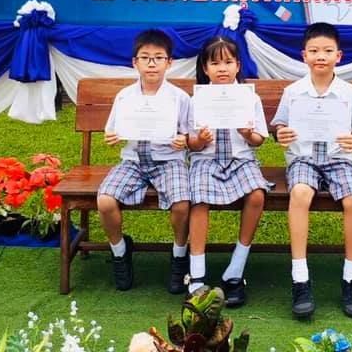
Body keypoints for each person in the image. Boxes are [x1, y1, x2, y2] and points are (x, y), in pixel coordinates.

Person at [271, 22, 352, 319]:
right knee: (300, 194)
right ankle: (300, 278)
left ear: (338, 56)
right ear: (304, 55)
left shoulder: (349, 93)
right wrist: (281, 133)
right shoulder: (293, 92)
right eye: (314, 51)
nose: (320, 56)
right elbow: (279, 126)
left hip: (339, 159)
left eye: (327, 51)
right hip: (303, 158)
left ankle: (351, 278)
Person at [97, 29, 191, 294]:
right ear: (134, 62)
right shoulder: (125, 97)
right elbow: (111, 130)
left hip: (168, 162)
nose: (152, 63)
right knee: (105, 201)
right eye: (145, 57)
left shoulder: (179, 98)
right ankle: (120, 251)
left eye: (159, 57)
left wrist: (183, 140)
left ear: (169, 63)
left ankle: (179, 254)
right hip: (133, 161)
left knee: (182, 204)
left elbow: (189, 134)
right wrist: (111, 137)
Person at [186, 36, 270, 307]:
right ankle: (197, 277)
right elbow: (190, 143)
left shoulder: (250, 98)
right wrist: (200, 140)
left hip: (241, 159)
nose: (222, 68)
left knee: (257, 195)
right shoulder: (196, 100)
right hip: (206, 160)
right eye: (215, 63)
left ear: (238, 66)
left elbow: (259, 140)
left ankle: (235, 270)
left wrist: (247, 134)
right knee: (199, 199)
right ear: (205, 68)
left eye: (228, 62)